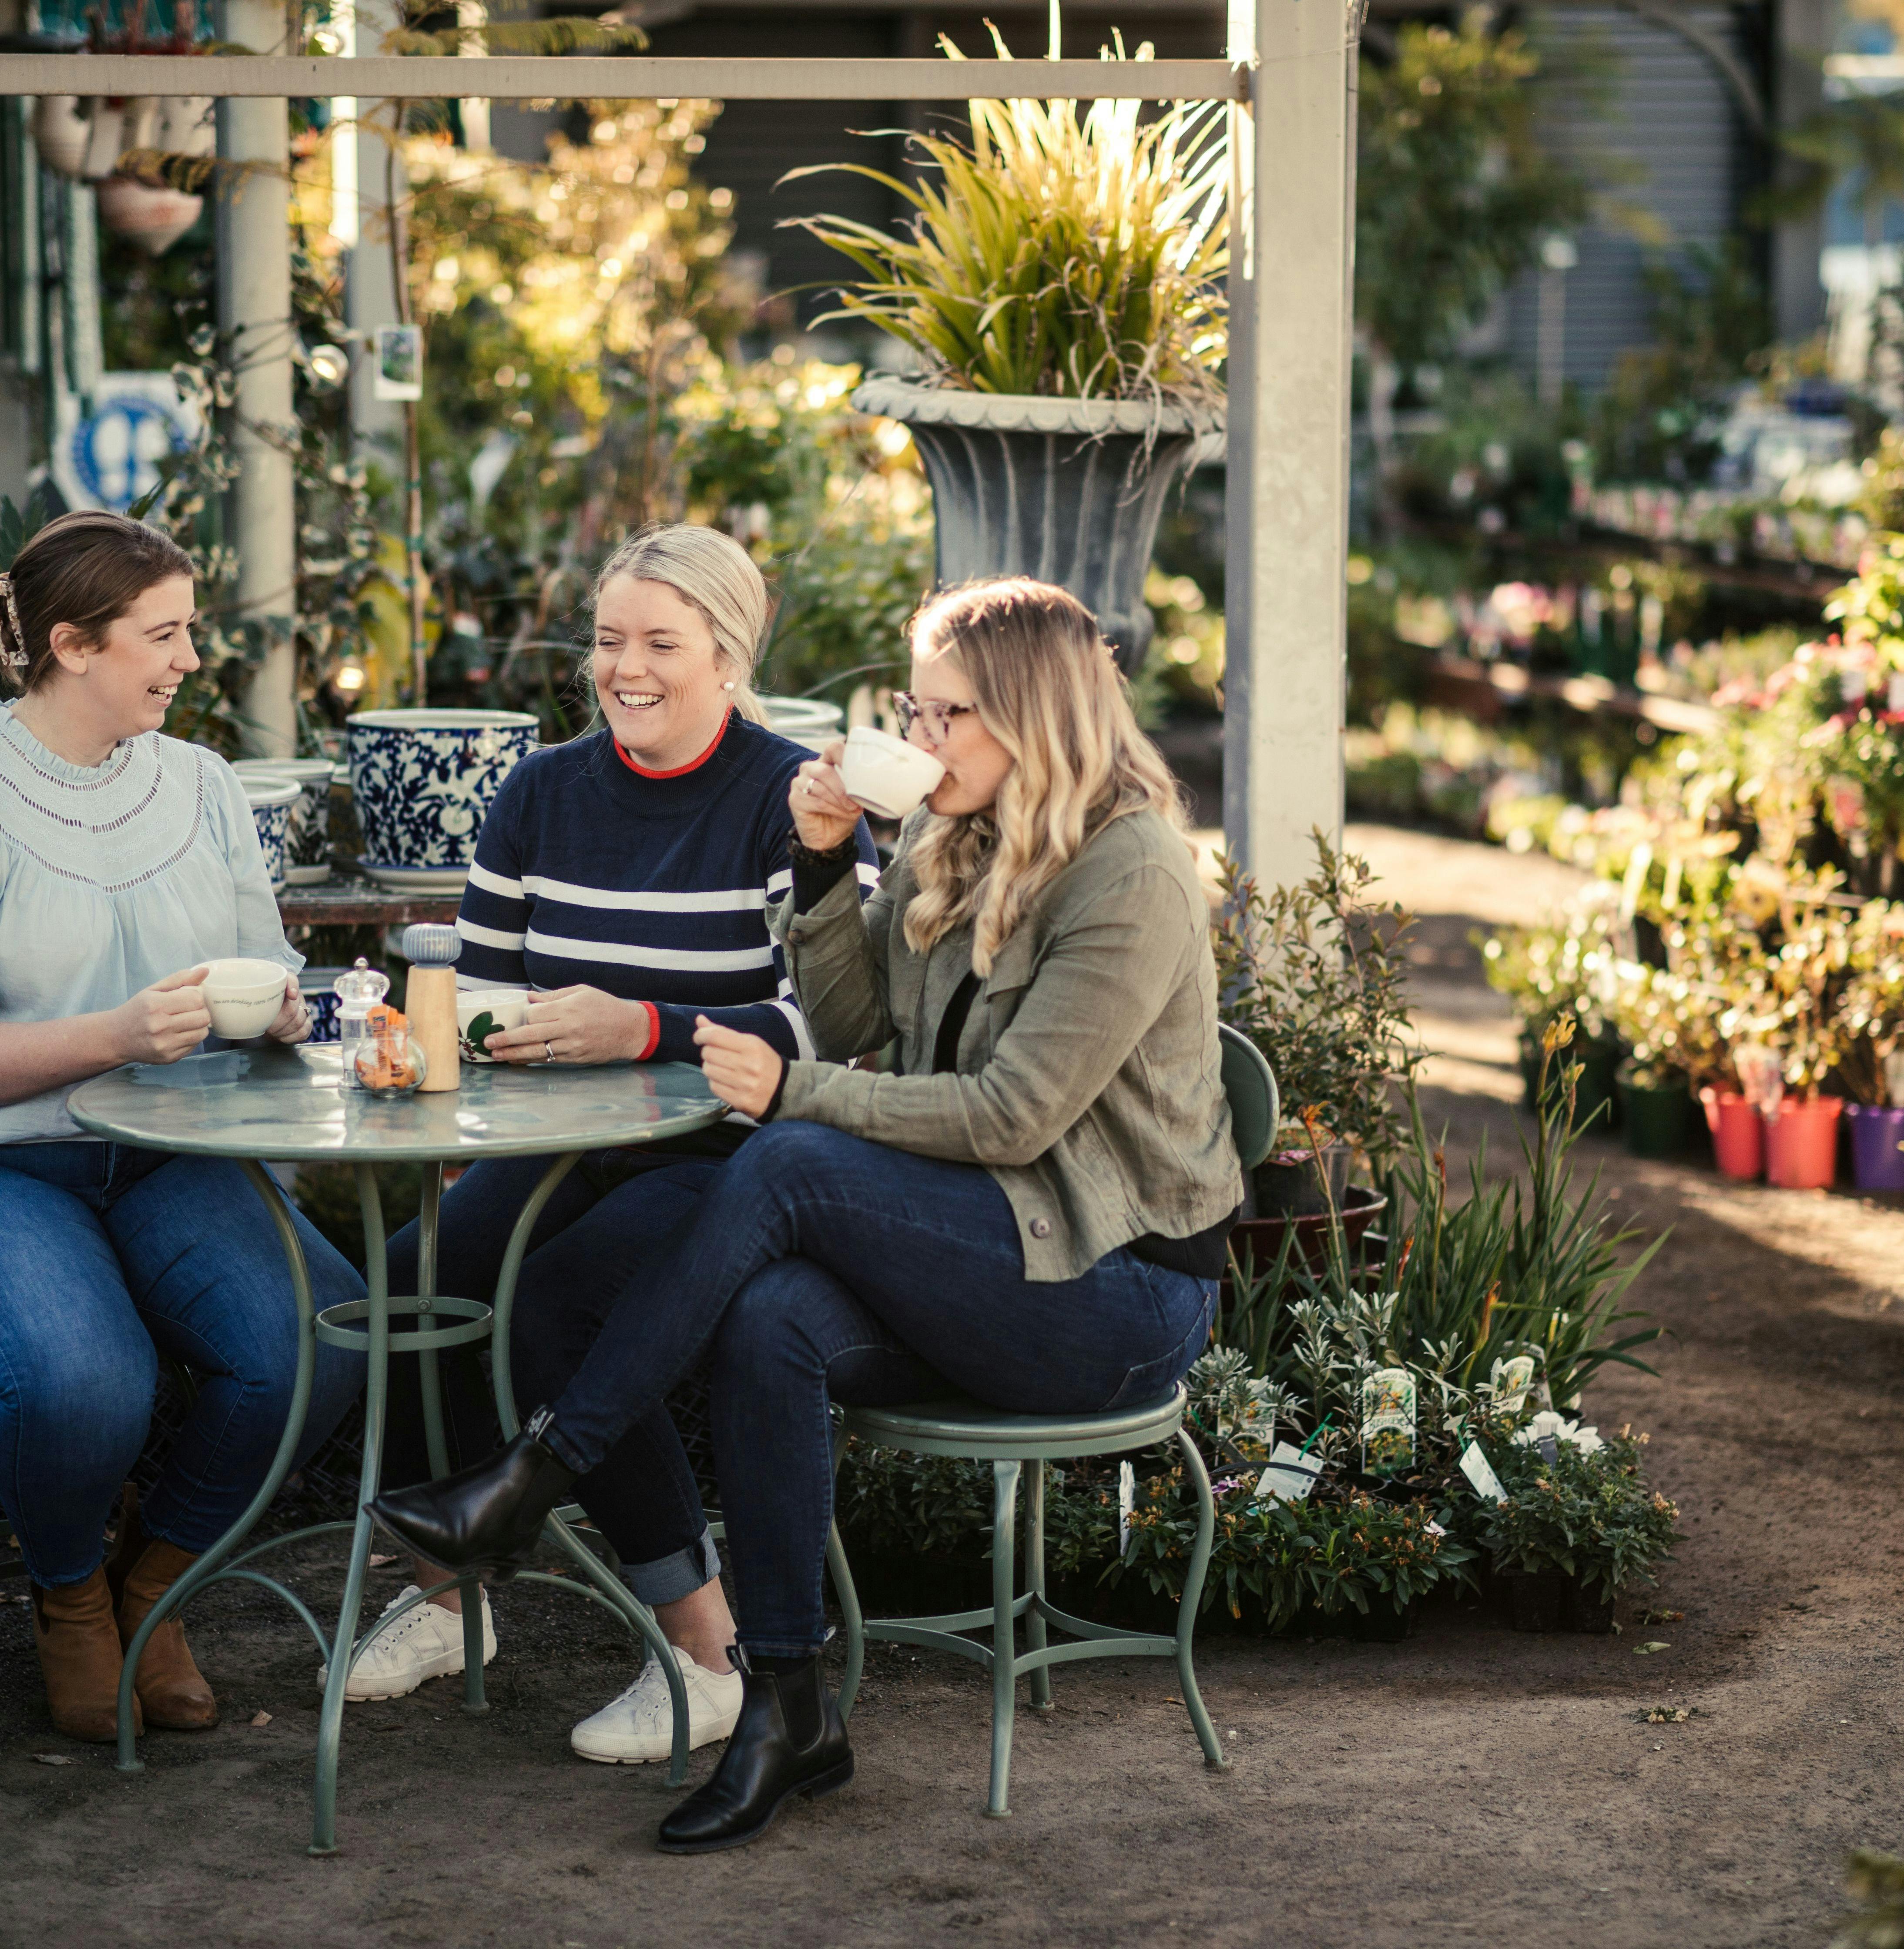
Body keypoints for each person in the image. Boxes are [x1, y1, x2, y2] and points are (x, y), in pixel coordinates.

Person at [367, 576, 1246, 1853]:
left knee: (784, 1161)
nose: (918, 735)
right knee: (770, 1316)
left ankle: (532, 1474)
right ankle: (787, 1705)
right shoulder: (961, 833)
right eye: (914, 707)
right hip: (990, 1245)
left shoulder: (1133, 869)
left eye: (946, 713)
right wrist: (826, 863)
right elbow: (858, 1021)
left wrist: (794, 1094)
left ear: (1035, 720)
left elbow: (1007, 1117)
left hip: (1113, 1293)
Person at [331, 524, 876, 1773]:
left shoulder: (791, 800)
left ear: (730, 659)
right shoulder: (541, 792)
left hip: (728, 1160)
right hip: (559, 1140)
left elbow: (837, 1021)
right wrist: (450, 1039)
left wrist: (647, 1028)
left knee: (560, 1313)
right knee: (406, 1292)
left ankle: (709, 1652)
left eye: (661, 644)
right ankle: (449, 1601)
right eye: (608, 639)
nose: (624, 668)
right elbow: (477, 990)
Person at [0, 511, 364, 1745]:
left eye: (191, 631)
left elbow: (254, 970)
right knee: (84, 1379)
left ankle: (157, 1580)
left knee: (322, 1339)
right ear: (71, 644)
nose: (190, 659)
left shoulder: (201, 782)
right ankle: (71, 1594)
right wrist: (115, 1036)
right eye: (164, 634)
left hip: (170, 1152)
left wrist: (280, 1011)